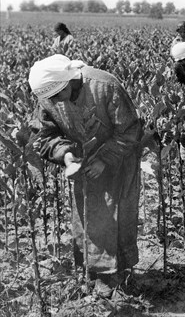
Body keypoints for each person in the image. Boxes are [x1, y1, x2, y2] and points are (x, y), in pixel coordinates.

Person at [28, 54, 142, 297]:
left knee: (118, 215)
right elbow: (45, 136)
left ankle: (116, 275)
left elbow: (130, 130)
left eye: (57, 95)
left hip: (119, 160)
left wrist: (105, 159)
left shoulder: (105, 86)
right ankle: (94, 271)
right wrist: (66, 155)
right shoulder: (49, 96)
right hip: (84, 164)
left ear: (68, 82)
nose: (54, 101)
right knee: (88, 216)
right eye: (49, 98)